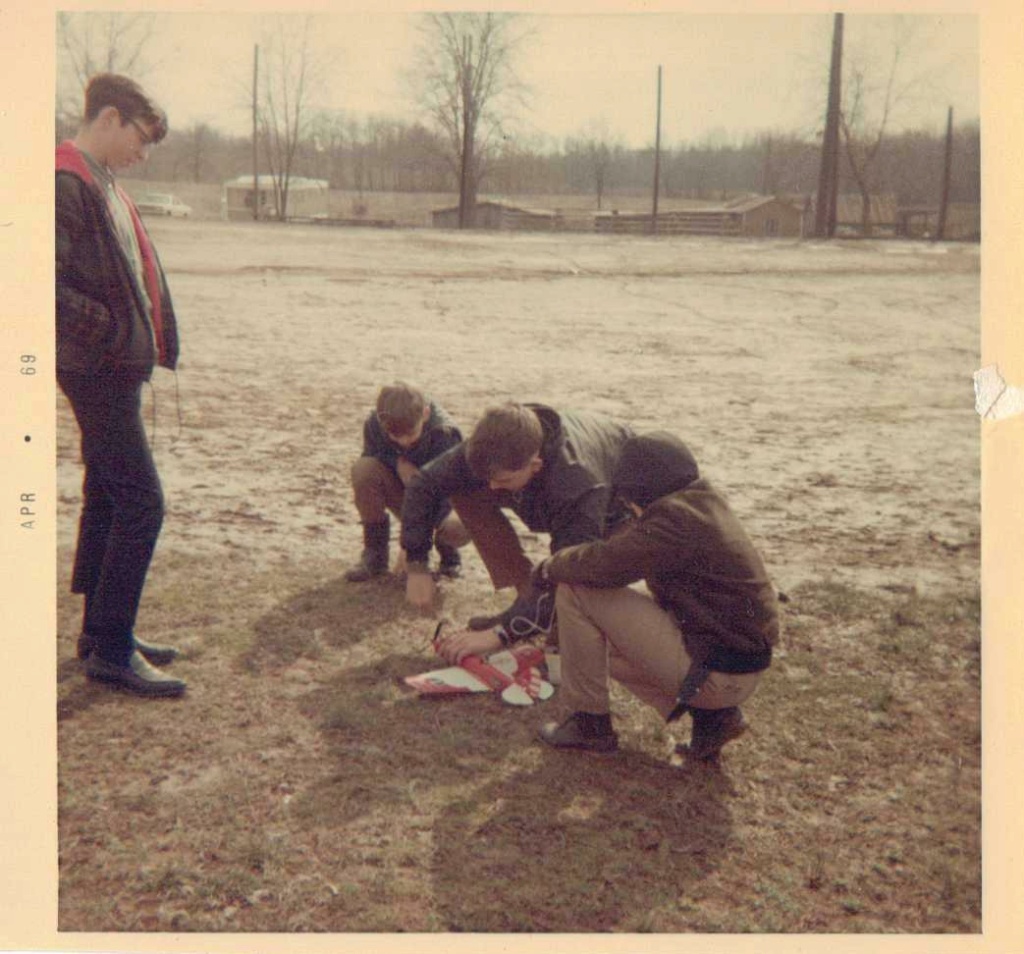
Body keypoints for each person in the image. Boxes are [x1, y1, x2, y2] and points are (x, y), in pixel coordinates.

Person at [533, 432, 780, 764]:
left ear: (639, 493)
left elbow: (602, 566)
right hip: (734, 667)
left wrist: (549, 567)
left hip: (717, 675)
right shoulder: (704, 504)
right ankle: (713, 720)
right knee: (599, 651)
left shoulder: (672, 519)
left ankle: (588, 724)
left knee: (575, 589)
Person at [57, 73, 185, 697]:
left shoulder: (101, 182)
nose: (144, 151)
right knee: (143, 502)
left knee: (109, 495)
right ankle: (111, 650)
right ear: (108, 118)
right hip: (96, 369)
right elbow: (34, 283)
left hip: (110, 368)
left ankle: (101, 634)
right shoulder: (66, 182)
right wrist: (109, 331)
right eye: (141, 137)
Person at [406, 402, 635, 663]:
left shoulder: (577, 483)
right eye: (489, 480)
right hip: (569, 489)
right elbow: (424, 483)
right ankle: (525, 598)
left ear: (535, 465)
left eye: (502, 481)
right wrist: (417, 564)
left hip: (621, 506)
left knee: (575, 605)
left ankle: (533, 618)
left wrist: (502, 633)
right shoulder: (496, 441)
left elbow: (569, 569)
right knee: (466, 489)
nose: (492, 488)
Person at [345, 383, 465, 582]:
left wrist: (411, 549)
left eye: (410, 434)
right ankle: (375, 556)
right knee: (363, 470)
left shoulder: (445, 434)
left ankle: (449, 558)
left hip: (439, 502)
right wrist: (399, 463)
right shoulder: (375, 423)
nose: (403, 442)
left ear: (425, 414)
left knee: (455, 526)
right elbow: (373, 455)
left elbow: (450, 494)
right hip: (402, 492)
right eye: (395, 436)